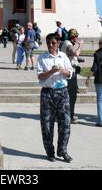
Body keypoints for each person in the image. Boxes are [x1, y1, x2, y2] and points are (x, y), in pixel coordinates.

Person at [37, 33, 73, 163]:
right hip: (47, 93)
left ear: (58, 43)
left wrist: (62, 70)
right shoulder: (42, 57)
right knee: (47, 125)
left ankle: (62, 150)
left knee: (65, 123)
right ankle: (50, 152)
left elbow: (70, 73)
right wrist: (52, 71)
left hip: (62, 93)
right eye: (48, 43)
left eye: (53, 43)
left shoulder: (63, 56)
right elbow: (40, 76)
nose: (50, 45)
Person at [61, 28, 84, 124]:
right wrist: (81, 44)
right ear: (73, 37)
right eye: (76, 37)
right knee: (71, 95)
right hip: (69, 74)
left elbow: (74, 56)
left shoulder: (68, 43)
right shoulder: (67, 44)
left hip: (71, 72)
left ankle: (70, 114)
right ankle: (69, 116)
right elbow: (76, 53)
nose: (77, 39)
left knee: (72, 95)